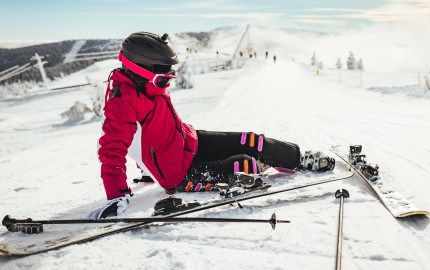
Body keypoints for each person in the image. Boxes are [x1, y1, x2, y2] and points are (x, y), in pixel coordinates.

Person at [87, 32, 334, 220]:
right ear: (138, 69)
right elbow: (113, 147)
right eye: (163, 78)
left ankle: (299, 159)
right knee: (243, 164)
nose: (168, 83)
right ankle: (260, 164)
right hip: (177, 173)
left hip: (186, 142)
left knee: (251, 140)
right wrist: (117, 193)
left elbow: (145, 135)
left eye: (171, 76)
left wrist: (145, 169)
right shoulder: (122, 101)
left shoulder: (147, 85)